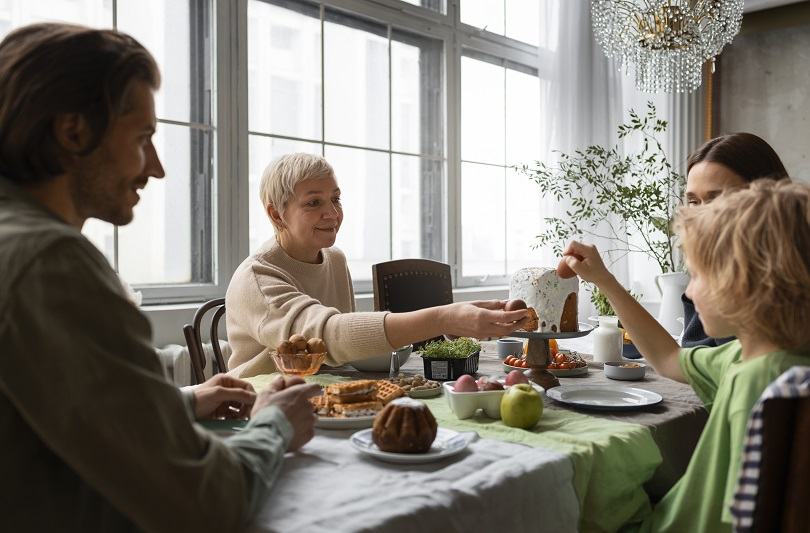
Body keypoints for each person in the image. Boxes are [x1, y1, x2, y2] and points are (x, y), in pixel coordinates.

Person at [0, 23, 319, 532]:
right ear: (73, 131)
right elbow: (204, 503)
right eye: (143, 138)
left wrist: (178, 403)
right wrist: (274, 426)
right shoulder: (51, 262)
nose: (157, 167)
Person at [561, 179, 810, 532]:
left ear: (741, 282)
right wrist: (605, 280)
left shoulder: (758, 382)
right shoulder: (757, 357)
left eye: (698, 276)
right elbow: (668, 358)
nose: (689, 292)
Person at [227, 153, 529, 377]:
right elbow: (324, 339)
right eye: (313, 202)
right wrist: (444, 318)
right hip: (258, 407)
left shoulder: (334, 259)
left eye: (336, 199)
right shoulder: (257, 277)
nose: (332, 213)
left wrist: (455, 323)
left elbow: (343, 350)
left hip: (323, 395)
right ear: (276, 214)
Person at [680, 132, 788, 346]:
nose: (701, 214)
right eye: (693, 201)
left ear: (764, 195)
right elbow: (687, 356)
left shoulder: (788, 280)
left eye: (716, 199)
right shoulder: (711, 265)